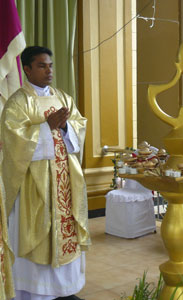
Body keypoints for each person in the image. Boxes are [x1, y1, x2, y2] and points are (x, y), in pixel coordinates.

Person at [1, 46, 90, 300]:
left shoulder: (62, 98)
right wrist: (46, 128)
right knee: (39, 236)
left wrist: (63, 129)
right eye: (41, 65)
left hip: (65, 183)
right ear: (27, 69)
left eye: (50, 65)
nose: (49, 70)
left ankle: (65, 290)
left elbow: (78, 128)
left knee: (65, 229)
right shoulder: (18, 102)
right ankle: (37, 293)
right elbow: (13, 140)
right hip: (34, 187)